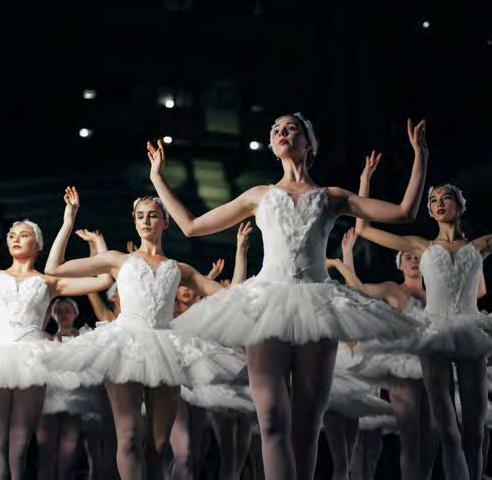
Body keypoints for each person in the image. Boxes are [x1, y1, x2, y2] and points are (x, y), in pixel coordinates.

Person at [148, 113, 428, 479]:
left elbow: (404, 213)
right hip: (267, 304)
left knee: (307, 427)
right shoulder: (259, 195)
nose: (282, 132)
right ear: (271, 145)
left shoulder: (332, 197)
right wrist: (158, 178)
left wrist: (420, 155)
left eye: (290, 127)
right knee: (272, 421)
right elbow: (191, 226)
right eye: (276, 130)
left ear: (308, 142)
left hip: (317, 305)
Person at [43, 187, 251, 480]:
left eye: (152, 215)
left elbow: (230, 297)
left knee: (159, 444)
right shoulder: (117, 260)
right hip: (125, 345)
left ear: (165, 222)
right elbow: (54, 268)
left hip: (165, 348)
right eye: (140, 216)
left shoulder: (179, 269)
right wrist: (69, 220)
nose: (145, 220)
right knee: (128, 436)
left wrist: (241, 252)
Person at [355, 162, 491, 479]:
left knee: (474, 431)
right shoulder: (420, 246)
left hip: (471, 328)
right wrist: (364, 181)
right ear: (429, 211)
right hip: (434, 331)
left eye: (446, 198)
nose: (438, 203)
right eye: (433, 201)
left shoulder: (480, 245)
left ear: (460, 206)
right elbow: (364, 230)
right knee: (448, 431)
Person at [0, 207, 111, 480]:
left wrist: (69, 224)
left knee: (20, 442)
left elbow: (104, 280)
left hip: (31, 360)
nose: (15, 238)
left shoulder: (48, 282)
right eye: (12, 235)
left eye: (23, 235)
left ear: (37, 245)